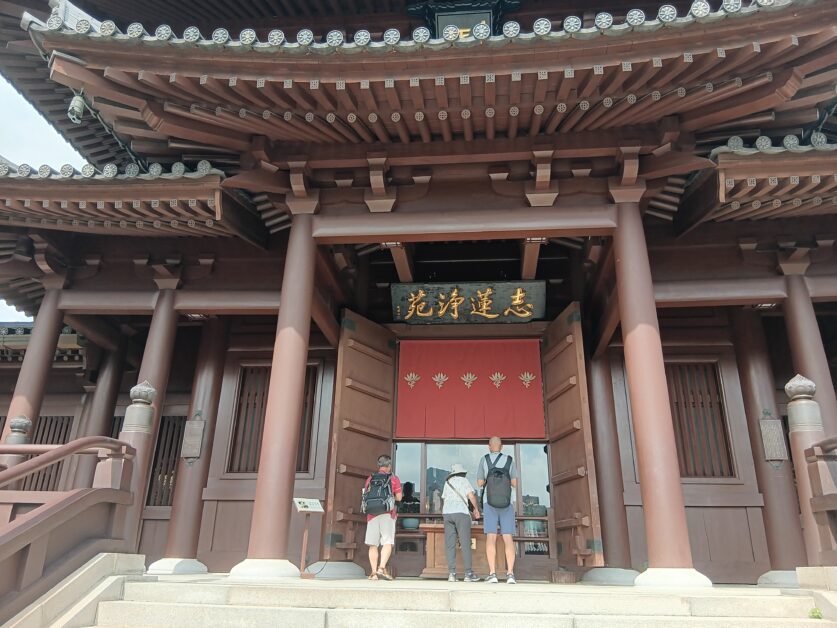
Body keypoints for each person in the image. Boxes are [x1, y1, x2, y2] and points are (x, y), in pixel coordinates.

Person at [477, 436, 518, 584]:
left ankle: (492, 573)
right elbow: (514, 484)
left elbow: (480, 482)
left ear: (489, 446)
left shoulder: (484, 460)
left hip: (490, 502)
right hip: (507, 503)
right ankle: (510, 574)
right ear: (501, 447)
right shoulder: (510, 460)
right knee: (508, 538)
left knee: (491, 537)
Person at [363, 454, 402, 581]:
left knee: (373, 544)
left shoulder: (370, 478)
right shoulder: (394, 479)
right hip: (387, 514)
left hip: (371, 515)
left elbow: (365, 495)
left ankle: (373, 573)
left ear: (379, 466)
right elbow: (399, 497)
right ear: (389, 466)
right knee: (387, 542)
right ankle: (381, 568)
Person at [441, 463, 481, 582]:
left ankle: (452, 573)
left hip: (447, 513)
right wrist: (476, 509)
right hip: (461, 513)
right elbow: (471, 496)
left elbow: (443, 498)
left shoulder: (447, 483)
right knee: (465, 543)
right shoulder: (464, 481)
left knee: (450, 544)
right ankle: (468, 573)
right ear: (462, 473)